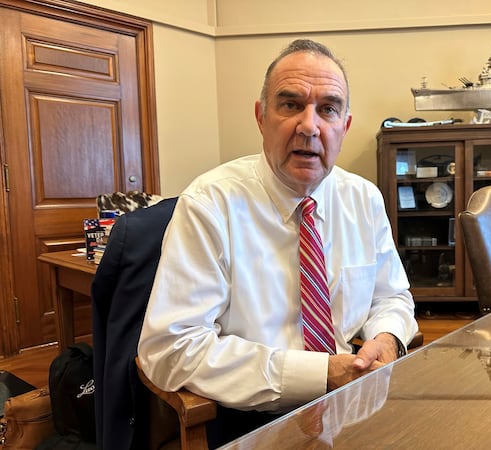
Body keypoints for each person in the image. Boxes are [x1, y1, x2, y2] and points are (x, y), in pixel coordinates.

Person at [137, 38, 418, 447]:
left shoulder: (364, 198)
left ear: (344, 126)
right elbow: (172, 349)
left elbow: (392, 296)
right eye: (290, 105)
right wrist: (320, 373)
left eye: (328, 109)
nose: (309, 125)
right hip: (248, 420)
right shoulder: (210, 204)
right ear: (261, 117)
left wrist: (388, 340)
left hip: (353, 404)